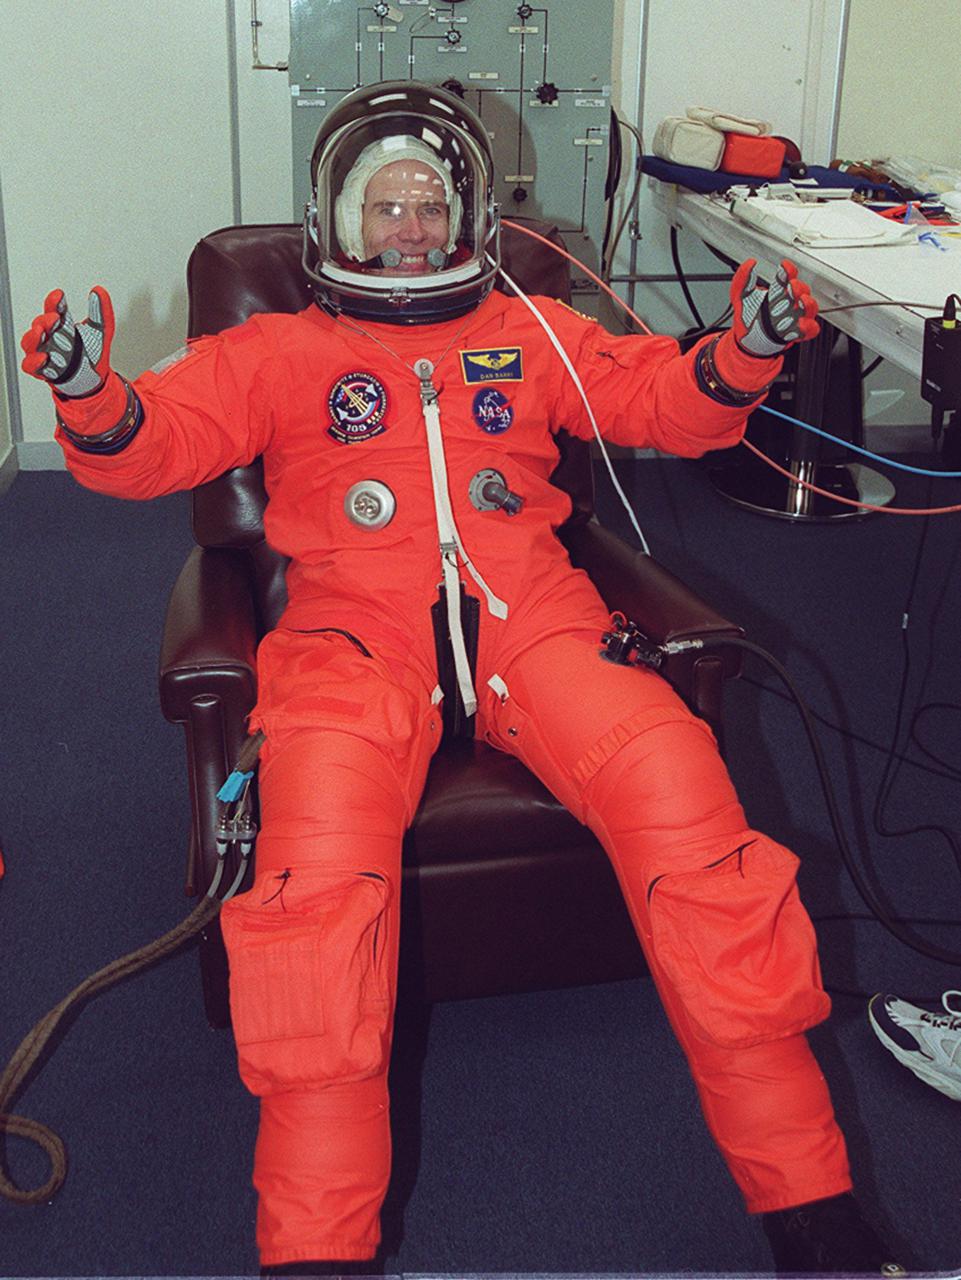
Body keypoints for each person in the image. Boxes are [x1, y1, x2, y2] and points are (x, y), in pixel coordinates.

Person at [20, 81, 905, 1277]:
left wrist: (740, 350)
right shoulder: (280, 347)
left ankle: (817, 1214)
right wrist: (91, 397)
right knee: (318, 906)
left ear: (473, 215)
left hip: (536, 622)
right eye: (383, 206)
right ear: (332, 222)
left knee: (696, 831)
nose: (410, 227)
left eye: (430, 202)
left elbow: (655, 397)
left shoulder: (533, 327)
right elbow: (159, 440)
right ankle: (315, 1253)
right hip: (349, 642)